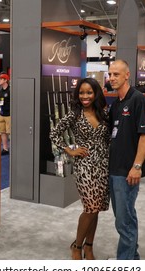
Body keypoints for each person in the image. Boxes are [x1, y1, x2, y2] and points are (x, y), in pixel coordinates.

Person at [50, 78, 110, 260]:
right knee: (90, 208)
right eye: (81, 93)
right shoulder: (74, 114)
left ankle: (89, 246)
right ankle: (77, 246)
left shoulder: (103, 113)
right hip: (84, 166)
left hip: (103, 166)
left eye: (89, 92)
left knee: (96, 208)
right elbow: (54, 133)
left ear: (96, 93)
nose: (85, 96)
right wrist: (69, 149)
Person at [108, 59, 145, 259]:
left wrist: (137, 166)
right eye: (110, 74)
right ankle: (132, 258)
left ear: (127, 75)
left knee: (124, 221)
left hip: (127, 171)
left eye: (116, 74)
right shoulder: (117, 103)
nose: (112, 78)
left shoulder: (137, 99)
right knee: (123, 217)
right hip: (114, 169)